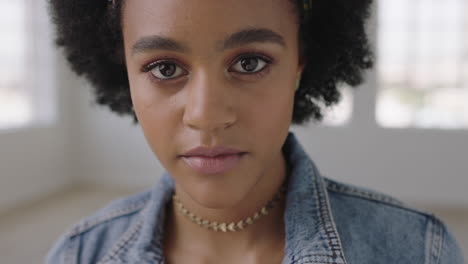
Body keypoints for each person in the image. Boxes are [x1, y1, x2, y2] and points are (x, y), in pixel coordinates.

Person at [46, 0, 465, 263]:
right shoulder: (80, 253)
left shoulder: (416, 249)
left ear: (299, 66)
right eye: (165, 68)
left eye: (249, 63)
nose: (207, 115)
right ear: (126, 76)